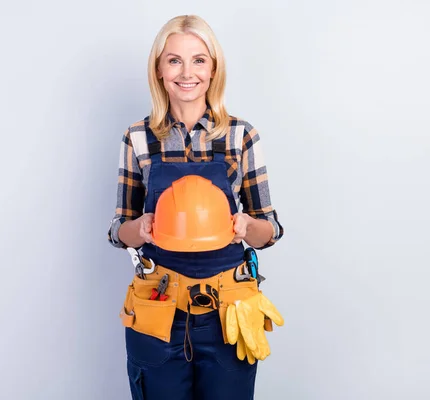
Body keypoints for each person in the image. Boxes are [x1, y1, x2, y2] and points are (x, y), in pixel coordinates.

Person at [107, 14, 284, 400]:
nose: (187, 72)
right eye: (174, 60)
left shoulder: (241, 135)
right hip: (158, 308)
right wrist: (138, 229)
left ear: (213, 68)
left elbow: (270, 229)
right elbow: (118, 229)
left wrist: (245, 227)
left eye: (198, 60)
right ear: (159, 69)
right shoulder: (137, 137)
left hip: (227, 310)